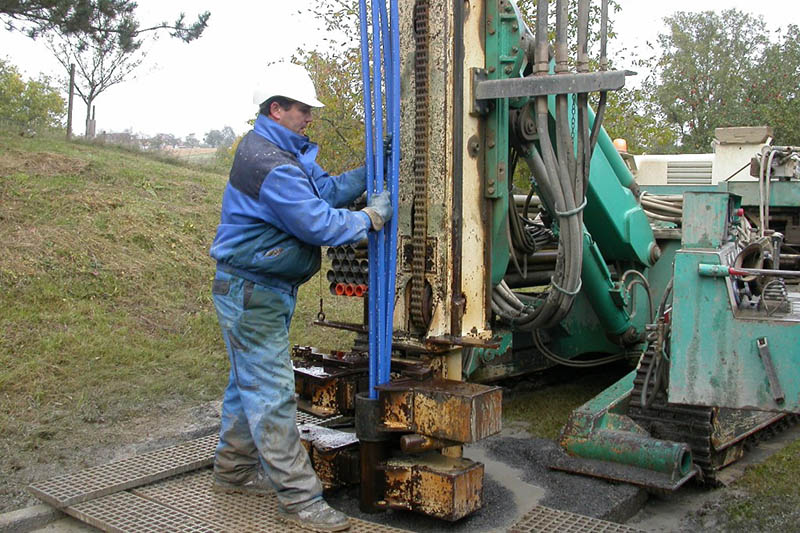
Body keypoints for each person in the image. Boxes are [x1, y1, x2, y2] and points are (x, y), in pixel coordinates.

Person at [208, 62, 391, 532]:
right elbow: (319, 222)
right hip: (253, 293)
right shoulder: (269, 164)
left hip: (257, 290)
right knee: (271, 394)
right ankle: (300, 501)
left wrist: (375, 167)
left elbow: (325, 190)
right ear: (277, 109)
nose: (309, 116)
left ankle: (232, 472)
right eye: (302, 109)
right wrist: (369, 218)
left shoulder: (278, 153)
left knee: (244, 384)